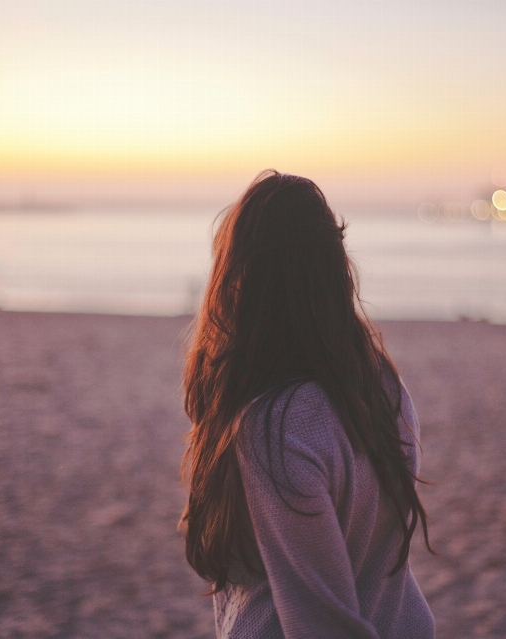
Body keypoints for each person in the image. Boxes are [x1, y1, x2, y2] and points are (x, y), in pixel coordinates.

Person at [179, 170, 435, 638]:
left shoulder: (273, 430)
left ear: (241, 279)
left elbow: (323, 626)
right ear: (334, 269)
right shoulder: (381, 384)